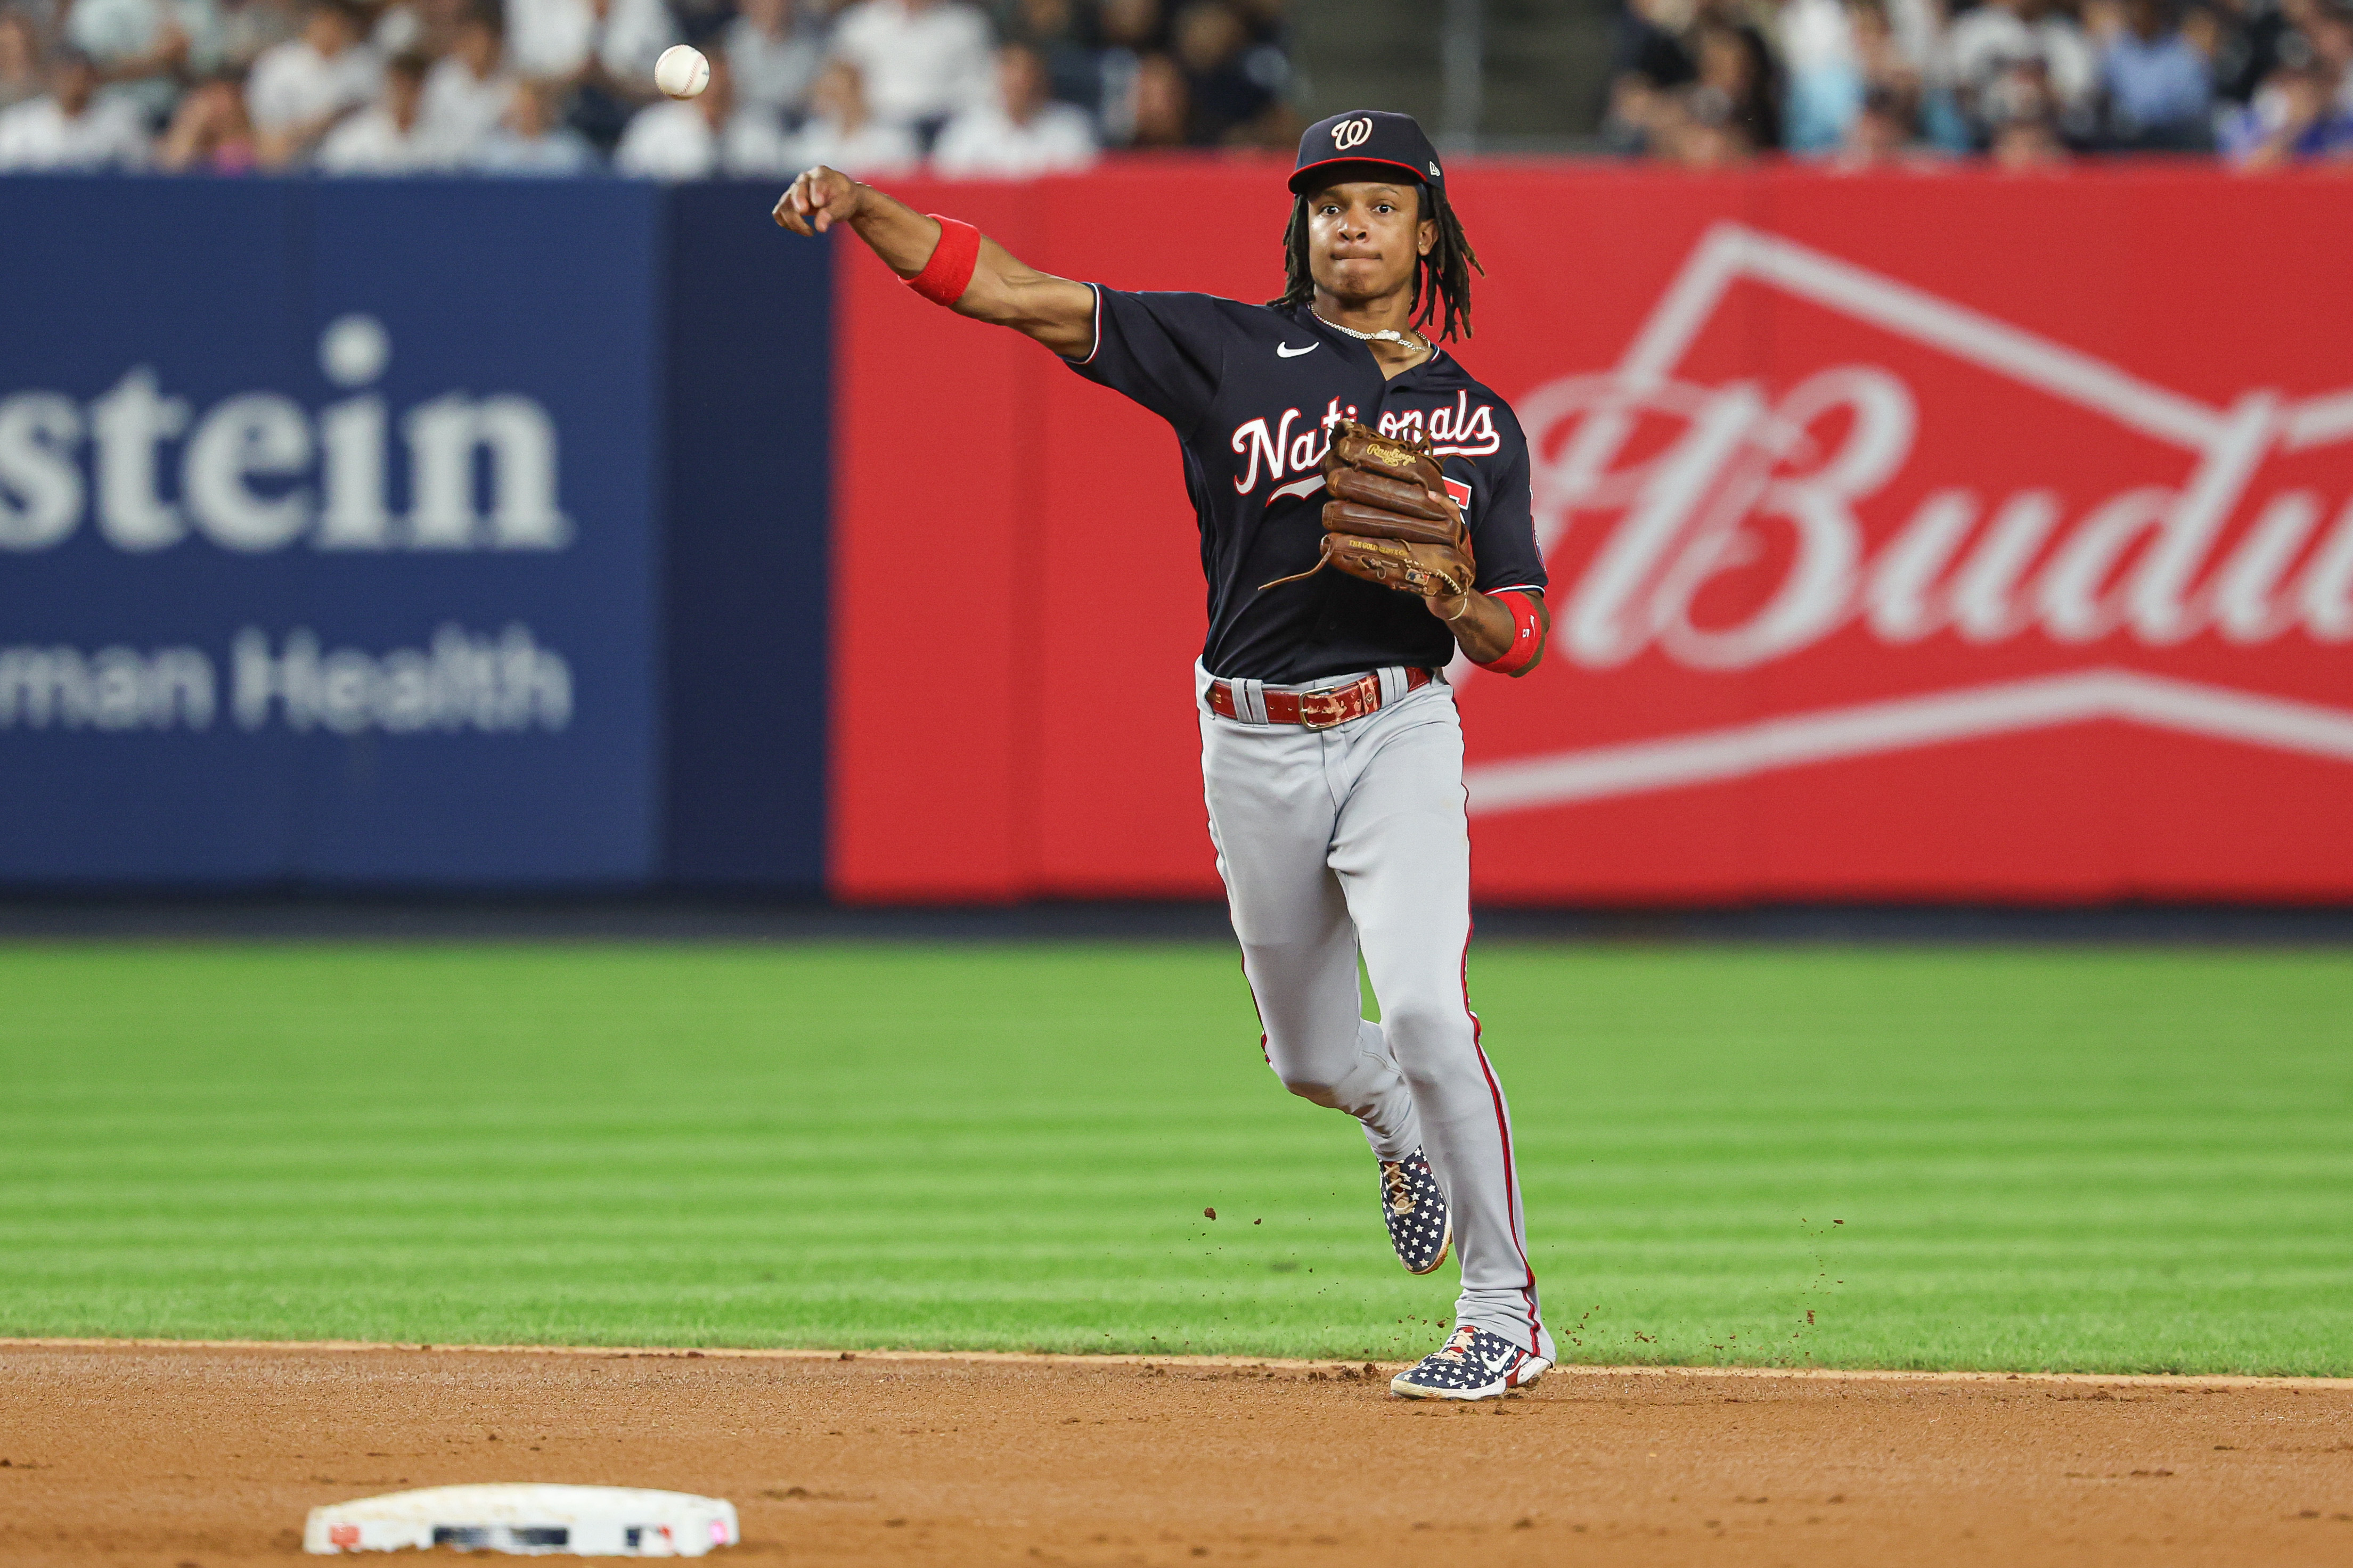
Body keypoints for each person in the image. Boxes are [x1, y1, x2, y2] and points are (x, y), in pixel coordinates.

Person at [773, 108, 1557, 1402]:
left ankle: (1501, 1310)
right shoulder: (1227, 347)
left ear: (1429, 231)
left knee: (1423, 1004)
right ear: (1300, 223)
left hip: (1395, 726)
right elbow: (1018, 293)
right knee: (1312, 1057)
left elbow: (1523, 631)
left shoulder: (1478, 422)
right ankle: (1394, 1118)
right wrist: (868, 208)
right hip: (1249, 737)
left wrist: (1455, 605)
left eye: (1378, 202)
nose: (1347, 222)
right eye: (1328, 201)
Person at [825, 0, 992, 138]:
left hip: (945, 128)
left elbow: (980, 87)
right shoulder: (860, 25)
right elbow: (840, 83)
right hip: (877, 127)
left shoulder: (965, 26)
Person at [930, 39, 1096, 176]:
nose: (1018, 80)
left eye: (1027, 72)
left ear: (1042, 77)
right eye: (1010, 69)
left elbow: (1079, 192)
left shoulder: (1071, 128)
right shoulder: (965, 131)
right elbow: (948, 194)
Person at [616, 48, 790, 176]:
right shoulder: (653, 128)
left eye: (721, 89)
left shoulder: (761, 129)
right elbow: (629, 188)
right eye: (706, 87)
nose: (714, 92)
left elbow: (781, 190)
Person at [244, 0, 379, 165]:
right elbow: (266, 135)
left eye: (337, 21)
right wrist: (322, 123)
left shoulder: (365, 66)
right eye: (324, 19)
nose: (330, 28)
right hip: (293, 162)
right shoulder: (277, 64)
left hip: (350, 164)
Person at [0, 46, 152, 166]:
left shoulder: (121, 120)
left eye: (81, 75)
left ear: (93, 77)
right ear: (51, 77)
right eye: (66, 75)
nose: (74, 83)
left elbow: (140, 172)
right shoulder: (20, 124)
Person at [783, 56, 917, 175]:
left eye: (839, 93)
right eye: (828, 93)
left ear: (859, 92)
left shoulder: (891, 140)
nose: (835, 101)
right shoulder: (809, 140)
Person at [414, 3, 510, 163]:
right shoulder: (442, 81)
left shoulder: (508, 87)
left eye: (485, 40)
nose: (480, 47)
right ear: (464, 39)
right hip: (444, 170)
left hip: (489, 172)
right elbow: (427, 132)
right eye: (474, 39)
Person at [315, 45, 435, 168]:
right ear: (386, 87)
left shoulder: (442, 135)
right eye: (399, 85)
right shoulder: (353, 137)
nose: (404, 94)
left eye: (413, 87)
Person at [469, 73, 598, 170]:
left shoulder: (570, 149)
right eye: (524, 105)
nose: (529, 112)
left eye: (534, 105)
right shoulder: (492, 150)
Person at [723, 0, 821, 122]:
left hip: (798, 121)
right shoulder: (737, 40)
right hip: (749, 121)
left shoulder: (811, 42)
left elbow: (811, 92)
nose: (772, 8)